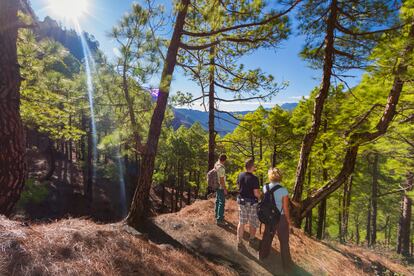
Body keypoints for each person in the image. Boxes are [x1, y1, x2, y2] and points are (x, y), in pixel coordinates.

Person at [259, 167, 294, 271]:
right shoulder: (283, 190)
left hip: (269, 216)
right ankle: (287, 266)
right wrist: (288, 221)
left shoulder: (265, 187)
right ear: (280, 176)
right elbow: (286, 208)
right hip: (281, 218)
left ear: (270, 176)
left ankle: (262, 256)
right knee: (284, 242)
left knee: (267, 236)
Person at [236, 158, 261, 250]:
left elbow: (238, 186)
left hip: (241, 202)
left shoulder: (240, 175)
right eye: (254, 165)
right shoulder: (254, 179)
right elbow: (256, 193)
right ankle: (252, 239)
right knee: (253, 222)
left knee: (241, 222)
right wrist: (260, 197)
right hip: (252, 203)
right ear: (252, 167)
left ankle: (239, 242)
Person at [215, 154, 228, 225]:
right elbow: (222, 180)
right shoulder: (221, 168)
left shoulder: (216, 164)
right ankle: (219, 219)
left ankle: (216, 214)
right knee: (222, 202)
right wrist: (225, 189)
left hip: (216, 185)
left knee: (217, 200)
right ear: (224, 160)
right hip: (220, 186)